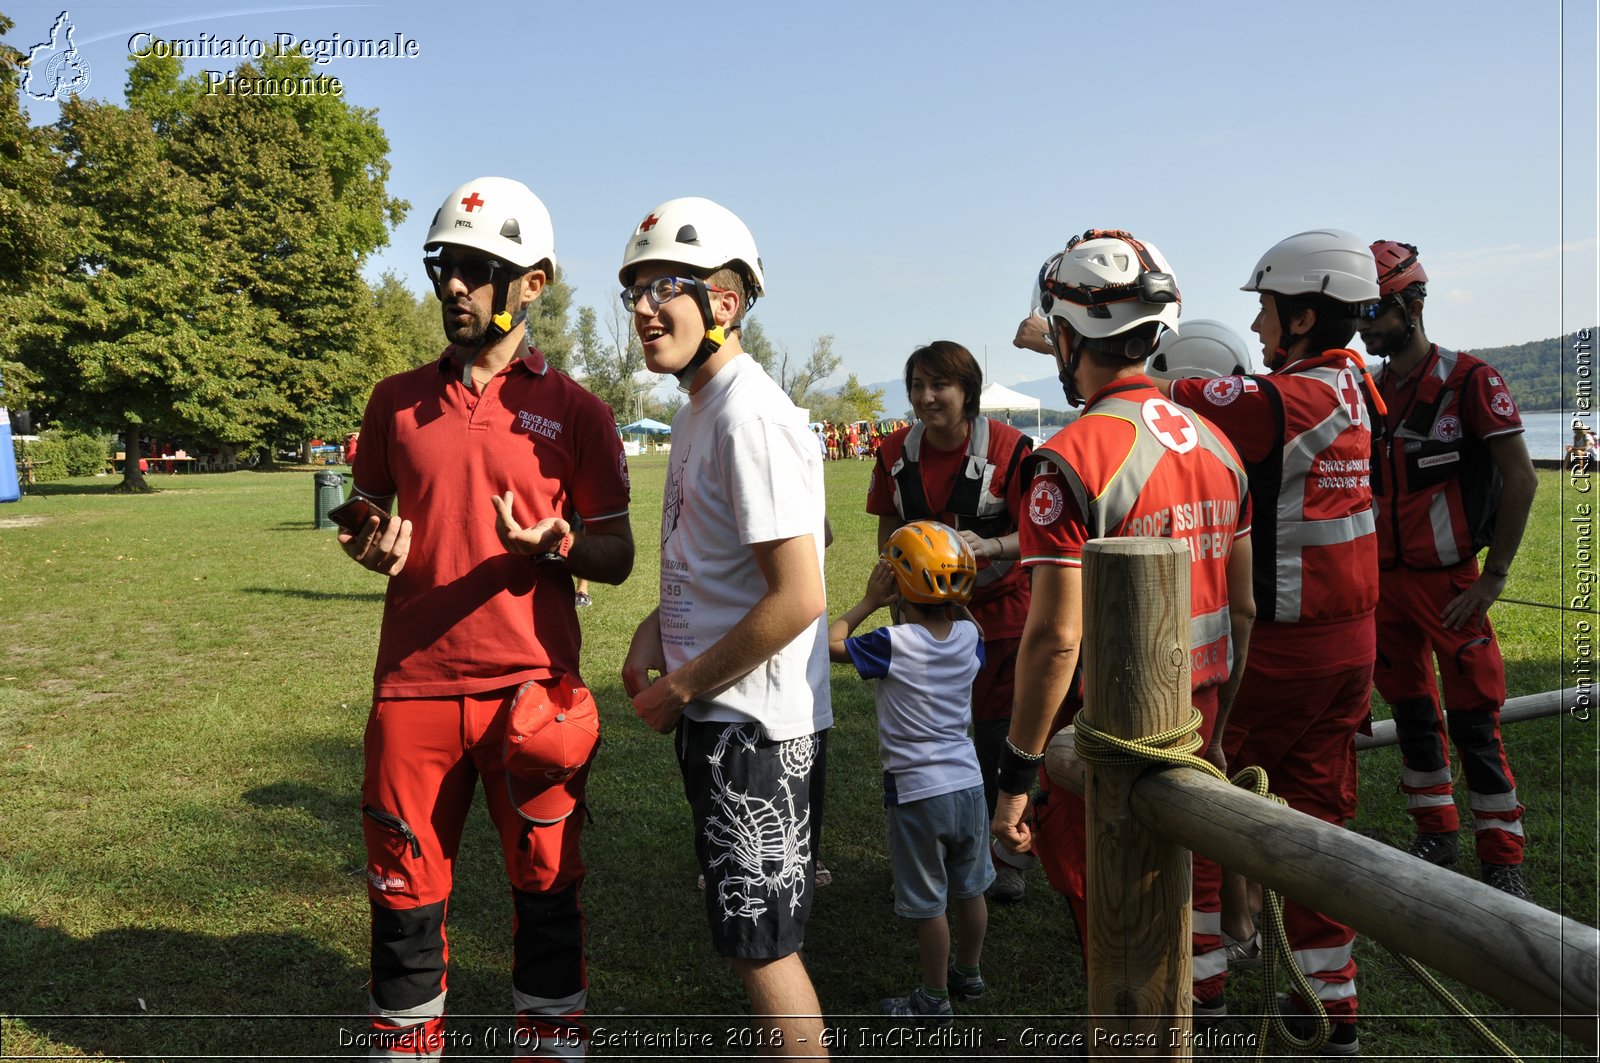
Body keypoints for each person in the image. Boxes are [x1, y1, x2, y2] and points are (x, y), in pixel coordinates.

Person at [340, 176, 634, 1059]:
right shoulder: (393, 400)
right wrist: (365, 539)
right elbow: (364, 513)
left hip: (532, 693)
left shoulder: (578, 411)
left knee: (547, 892)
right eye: (445, 269)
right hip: (414, 692)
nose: (454, 288)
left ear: (533, 283)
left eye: (477, 269)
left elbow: (616, 558)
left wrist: (559, 545)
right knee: (401, 898)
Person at [991, 229, 1254, 1021]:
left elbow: (1055, 636)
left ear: (1067, 337)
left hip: (1103, 743)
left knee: (1116, 938)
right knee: (1185, 909)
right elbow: (1241, 609)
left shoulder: (1069, 459)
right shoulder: (1220, 444)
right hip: (1196, 724)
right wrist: (1217, 717)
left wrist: (1014, 776)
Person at [1157, 228, 1383, 1053]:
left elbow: (1170, 397)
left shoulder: (1296, 398)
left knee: (1208, 802)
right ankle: (1330, 1006)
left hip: (1285, 647)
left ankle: (1207, 996)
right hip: (1349, 645)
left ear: (1305, 312)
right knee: (1319, 821)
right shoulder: (1357, 386)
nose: (1256, 328)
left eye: (1266, 310)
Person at [618, 197, 831, 1055]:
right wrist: (652, 629)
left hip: (754, 728)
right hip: (726, 719)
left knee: (764, 949)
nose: (640, 307)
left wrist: (682, 682)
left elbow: (799, 595)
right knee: (758, 937)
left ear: (726, 302)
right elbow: (717, 566)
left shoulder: (749, 414)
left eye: (663, 285)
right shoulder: (701, 406)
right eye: (632, 287)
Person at [1361, 240, 1538, 900]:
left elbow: (1522, 480)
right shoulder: (1372, 391)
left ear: (1413, 304)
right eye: (1359, 311)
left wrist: (1495, 578)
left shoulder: (1471, 380)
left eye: (1375, 309)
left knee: (1473, 718)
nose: (1365, 325)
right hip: (1386, 586)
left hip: (1453, 584)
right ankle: (1435, 831)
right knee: (1411, 711)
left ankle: (1502, 855)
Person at [867, 340, 1036, 901]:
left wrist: (990, 546)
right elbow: (888, 527)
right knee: (928, 735)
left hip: (1000, 616)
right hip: (923, 621)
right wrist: (894, 594)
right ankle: (939, 842)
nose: (925, 397)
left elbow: (1038, 534)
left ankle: (1005, 849)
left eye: (939, 385)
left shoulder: (1011, 449)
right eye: (916, 385)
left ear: (968, 392)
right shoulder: (893, 450)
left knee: (996, 734)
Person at [828, 522, 991, 1022]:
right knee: (971, 889)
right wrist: (954, 594)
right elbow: (976, 629)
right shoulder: (968, 637)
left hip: (918, 792)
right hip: (969, 785)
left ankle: (934, 998)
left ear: (899, 588)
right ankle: (970, 973)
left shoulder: (892, 642)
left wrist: (867, 602)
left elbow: (831, 642)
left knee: (929, 905)